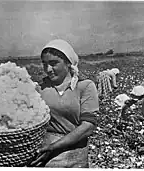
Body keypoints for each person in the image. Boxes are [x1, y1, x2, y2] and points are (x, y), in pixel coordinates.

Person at [29, 39, 99, 168]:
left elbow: (88, 127)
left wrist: (53, 147)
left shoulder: (84, 86)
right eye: (44, 64)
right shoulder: (40, 88)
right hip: (45, 155)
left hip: (75, 154)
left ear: (68, 63)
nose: (48, 69)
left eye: (54, 63)